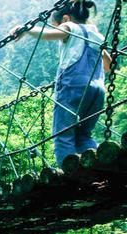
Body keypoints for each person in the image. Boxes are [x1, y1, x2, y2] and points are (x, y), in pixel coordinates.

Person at [11, 0, 111, 167]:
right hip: (97, 91)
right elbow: (108, 66)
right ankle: (99, 166)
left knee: (63, 134)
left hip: (72, 88)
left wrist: (27, 29)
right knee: (84, 135)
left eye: (55, 25)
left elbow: (48, 35)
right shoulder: (97, 35)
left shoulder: (70, 27)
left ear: (65, 19)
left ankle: (69, 174)